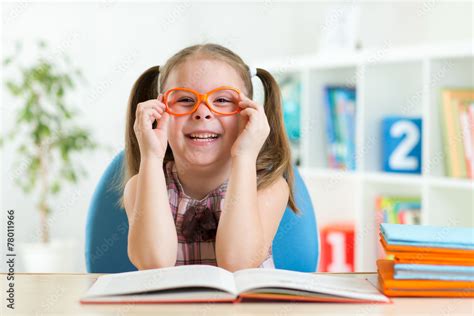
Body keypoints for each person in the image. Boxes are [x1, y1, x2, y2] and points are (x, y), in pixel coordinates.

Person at [120, 43, 300, 272]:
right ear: (160, 110)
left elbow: (238, 263)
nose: (203, 111)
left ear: (248, 115)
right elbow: (153, 263)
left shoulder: (267, 188)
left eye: (222, 100)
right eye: (185, 100)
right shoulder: (141, 187)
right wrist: (151, 158)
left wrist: (245, 156)